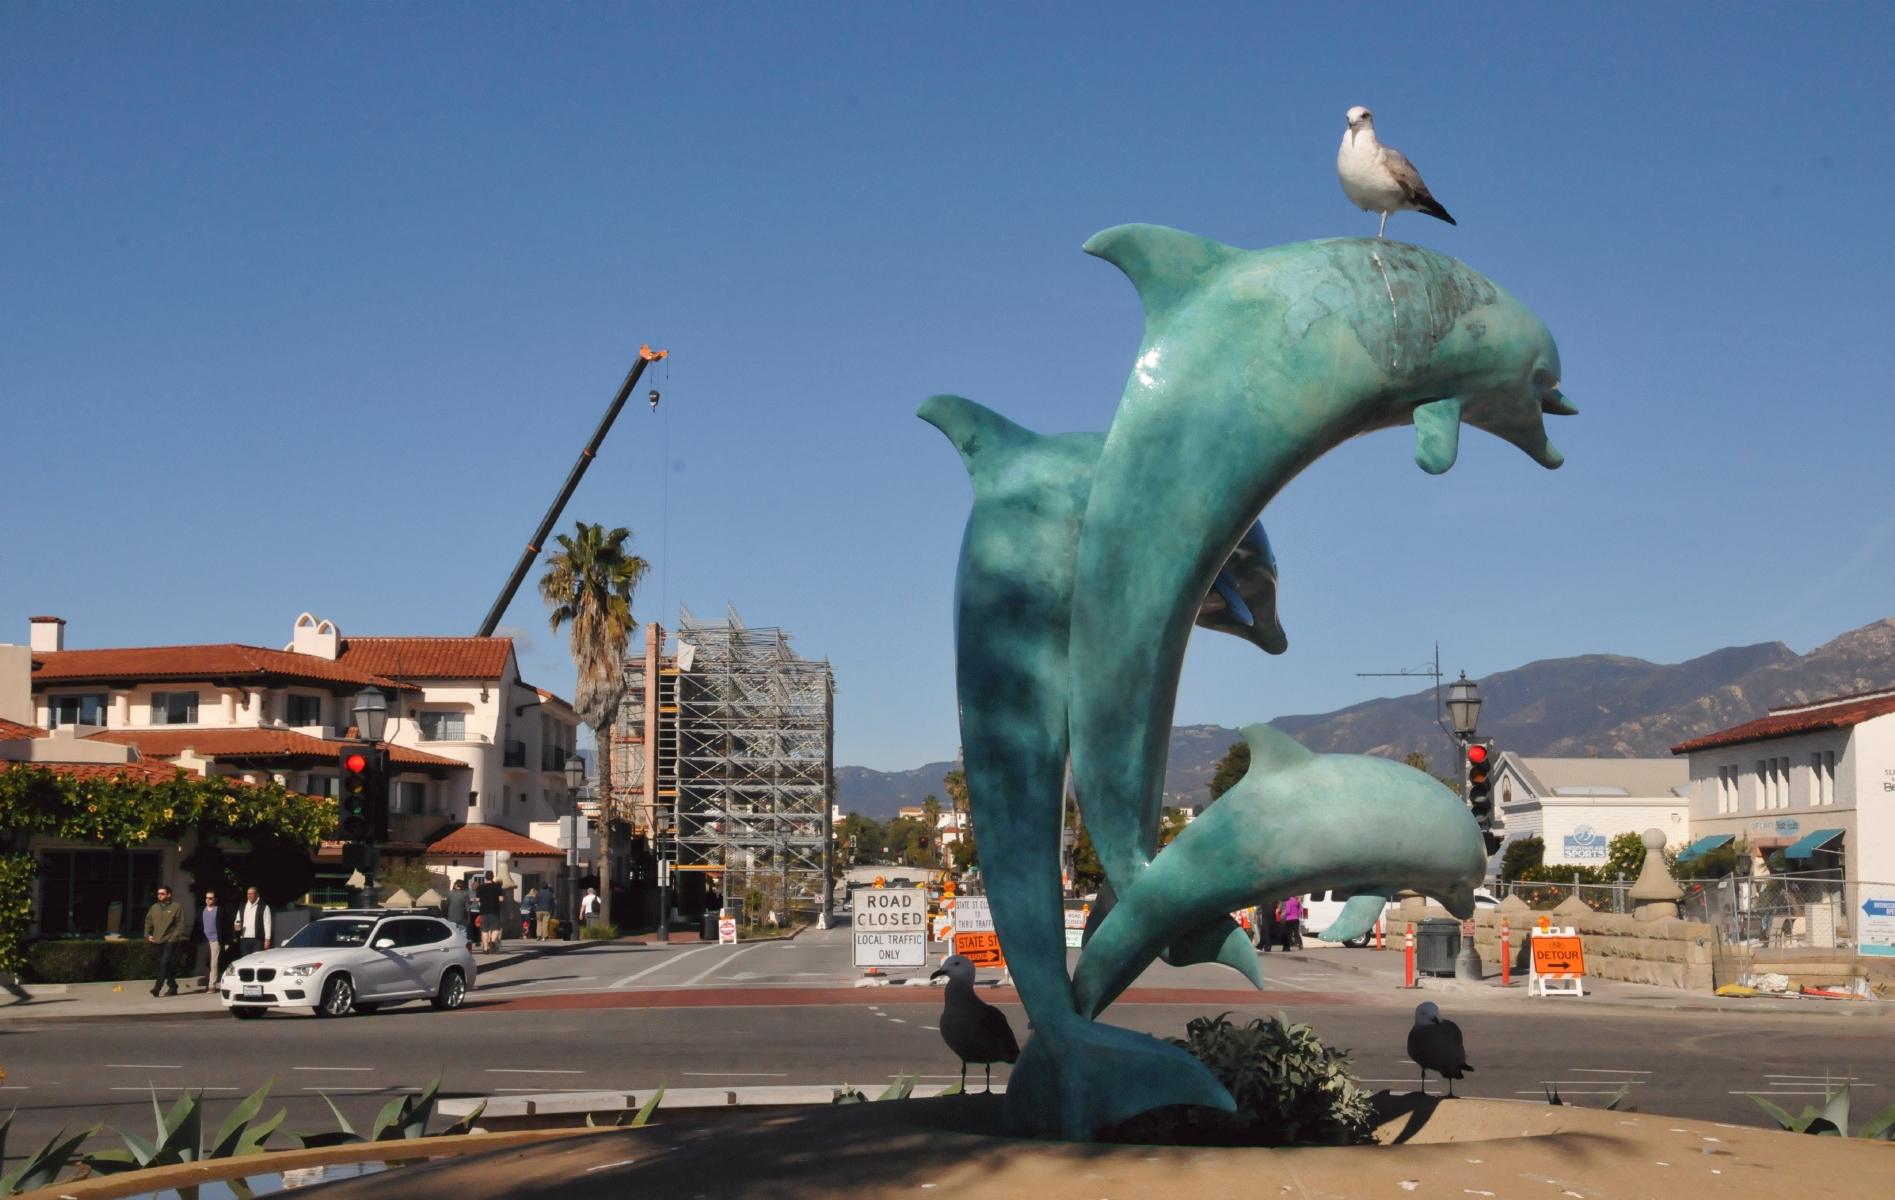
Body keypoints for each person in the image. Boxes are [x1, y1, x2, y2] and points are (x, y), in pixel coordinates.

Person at [144, 885, 185, 996]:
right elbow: (148, 922)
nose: (159, 895)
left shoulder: (176, 907)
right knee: (167, 964)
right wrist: (148, 935)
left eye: (162, 893)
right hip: (158, 940)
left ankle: (157, 986)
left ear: (168, 895)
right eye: (158, 894)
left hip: (170, 940)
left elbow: (180, 924)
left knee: (164, 961)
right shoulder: (154, 908)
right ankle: (173, 987)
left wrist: (174, 937)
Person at [199, 890, 225, 991]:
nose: (208, 900)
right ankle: (209, 980)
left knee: (214, 963)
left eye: (210, 898)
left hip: (215, 940)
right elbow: (198, 924)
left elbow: (223, 926)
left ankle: (212, 985)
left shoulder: (219, 910)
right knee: (201, 964)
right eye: (206, 898)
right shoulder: (202, 910)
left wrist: (225, 942)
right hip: (204, 940)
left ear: (214, 899)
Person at [237, 886, 272, 959]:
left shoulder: (263, 907)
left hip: (257, 940)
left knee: (256, 960)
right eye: (248, 894)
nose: (249, 896)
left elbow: (267, 924)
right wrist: (237, 927)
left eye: (251, 894)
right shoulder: (243, 907)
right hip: (245, 939)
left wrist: (267, 939)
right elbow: (237, 921)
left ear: (257, 894)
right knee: (245, 961)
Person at [475, 876, 505, 953]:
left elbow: (477, 899)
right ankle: (492, 941)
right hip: (495, 910)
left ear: (485, 877)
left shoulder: (481, 887)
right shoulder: (497, 887)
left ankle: (485, 948)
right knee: (495, 929)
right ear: (493, 877)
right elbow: (501, 899)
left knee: (484, 930)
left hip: (484, 911)